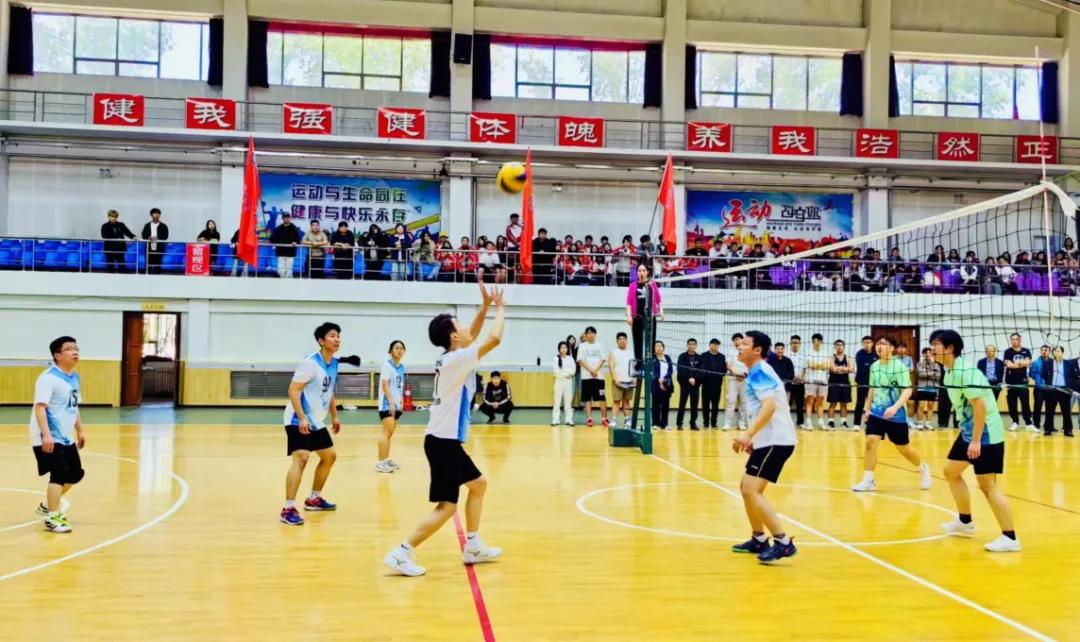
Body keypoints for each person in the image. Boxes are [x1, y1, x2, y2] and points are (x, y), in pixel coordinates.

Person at [383, 283, 506, 577]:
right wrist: (501, 308)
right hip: (442, 443)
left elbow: (472, 333)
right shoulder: (456, 359)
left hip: (444, 441)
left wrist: (485, 306)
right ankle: (401, 553)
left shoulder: (452, 355)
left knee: (478, 485)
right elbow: (493, 338)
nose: (466, 328)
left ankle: (472, 545)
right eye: (460, 325)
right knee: (447, 507)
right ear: (453, 336)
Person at [931, 329, 1020, 552]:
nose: (932, 349)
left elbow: (979, 406)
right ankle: (965, 522)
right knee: (950, 471)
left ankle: (1010, 537)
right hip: (969, 432)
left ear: (950, 348)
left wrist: (976, 441)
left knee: (987, 485)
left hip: (986, 434)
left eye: (936, 344)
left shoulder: (966, 372)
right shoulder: (949, 372)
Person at [730, 331, 798, 564]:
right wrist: (755, 440)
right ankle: (759, 538)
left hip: (777, 440)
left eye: (745, 343)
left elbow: (769, 407)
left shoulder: (760, 371)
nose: (739, 346)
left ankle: (783, 543)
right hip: (768, 440)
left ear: (757, 350)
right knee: (745, 487)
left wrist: (748, 434)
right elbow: (762, 408)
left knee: (752, 489)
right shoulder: (756, 372)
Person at [280, 322, 343, 526]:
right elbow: (293, 390)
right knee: (302, 457)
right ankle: (288, 508)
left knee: (329, 456)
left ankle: (314, 499)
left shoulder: (334, 363)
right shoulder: (310, 363)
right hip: (297, 418)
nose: (337, 339)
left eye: (338, 336)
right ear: (321, 341)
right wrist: (302, 417)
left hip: (316, 420)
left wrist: (334, 416)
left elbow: (329, 391)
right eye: (332, 336)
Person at [852, 336, 932, 493]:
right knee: (870, 443)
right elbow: (872, 388)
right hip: (877, 413)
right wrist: (867, 409)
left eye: (884, 344)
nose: (879, 346)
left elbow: (907, 390)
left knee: (904, 450)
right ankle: (868, 481)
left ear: (891, 348)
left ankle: (922, 467)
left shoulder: (899, 367)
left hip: (896, 416)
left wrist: (895, 408)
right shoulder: (874, 366)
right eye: (878, 343)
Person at [30, 336, 85, 533]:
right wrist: (46, 435)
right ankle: (52, 517)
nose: (75, 352)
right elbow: (40, 408)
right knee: (59, 473)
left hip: (65, 436)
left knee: (76, 474)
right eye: (69, 349)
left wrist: (80, 429)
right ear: (57, 355)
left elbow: (73, 406)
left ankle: (47, 505)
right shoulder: (48, 378)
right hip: (48, 435)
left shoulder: (73, 377)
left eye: (76, 348)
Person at [376, 340, 406, 474]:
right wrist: (391, 403)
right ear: (390, 351)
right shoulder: (387, 366)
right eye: (396, 348)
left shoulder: (401, 367)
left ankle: (386, 460)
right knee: (386, 433)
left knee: (390, 434)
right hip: (387, 404)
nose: (399, 350)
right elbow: (385, 385)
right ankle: (380, 463)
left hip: (397, 404)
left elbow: (399, 386)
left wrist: (401, 401)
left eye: (401, 348)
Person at [626, 263, 662, 363]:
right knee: (637, 340)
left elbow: (658, 299)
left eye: (643, 270)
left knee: (651, 339)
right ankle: (639, 362)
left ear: (647, 272)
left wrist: (662, 311)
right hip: (637, 317)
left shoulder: (652, 284)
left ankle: (651, 360)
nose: (641, 272)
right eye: (639, 271)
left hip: (650, 317)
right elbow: (629, 303)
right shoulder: (633, 285)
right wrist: (629, 316)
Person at [1002, 333, 1037, 432]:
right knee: (1012, 403)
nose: (1014, 341)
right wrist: (1021, 363)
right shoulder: (1008, 351)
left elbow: (1028, 362)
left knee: (1025, 403)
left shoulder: (1026, 351)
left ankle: (1029, 423)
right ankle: (1015, 422)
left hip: (1023, 381)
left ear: (1020, 340)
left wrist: (1016, 364)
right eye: (1012, 339)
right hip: (1011, 381)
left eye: (1016, 339)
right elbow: (1009, 365)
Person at [577, 326, 610, 428]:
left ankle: (604, 418)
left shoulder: (600, 345)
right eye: (588, 333)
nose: (590, 335)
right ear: (586, 335)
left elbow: (603, 359)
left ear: (595, 334)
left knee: (602, 397)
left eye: (592, 333)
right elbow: (580, 360)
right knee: (587, 398)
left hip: (599, 377)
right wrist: (591, 370)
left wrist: (596, 370)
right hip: (586, 377)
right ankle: (589, 418)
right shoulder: (582, 346)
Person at [1038, 346, 1073, 437]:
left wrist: (1070, 387)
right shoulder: (1048, 363)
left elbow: (1072, 376)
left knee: (1066, 411)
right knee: (1049, 411)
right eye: (1055, 351)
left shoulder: (1068, 363)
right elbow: (1043, 374)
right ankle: (1048, 429)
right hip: (1051, 390)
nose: (1056, 353)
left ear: (1062, 353)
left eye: (1058, 351)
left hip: (1064, 390)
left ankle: (1068, 430)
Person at [803, 333, 831, 430]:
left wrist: (817, 365)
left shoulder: (826, 353)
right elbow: (811, 365)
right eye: (814, 341)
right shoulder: (808, 352)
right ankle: (808, 422)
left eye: (818, 341)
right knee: (810, 402)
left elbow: (827, 366)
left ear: (821, 342)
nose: (816, 343)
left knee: (820, 402)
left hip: (823, 380)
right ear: (812, 342)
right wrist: (820, 366)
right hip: (810, 380)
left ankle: (821, 423)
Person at [608, 332, 636, 429]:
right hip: (618, 381)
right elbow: (611, 366)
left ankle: (627, 420)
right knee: (616, 401)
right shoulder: (613, 352)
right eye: (620, 339)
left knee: (626, 401)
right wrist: (615, 379)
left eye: (624, 339)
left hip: (629, 381)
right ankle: (614, 420)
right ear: (617, 341)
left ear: (626, 341)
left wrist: (634, 378)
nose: (622, 340)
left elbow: (635, 366)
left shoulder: (631, 352)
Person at [676, 338, 703, 430]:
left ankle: (693, 423)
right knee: (682, 403)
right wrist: (688, 378)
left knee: (694, 405)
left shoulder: (699, 358)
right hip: (685, 383)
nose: (691, 346)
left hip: (695, 384)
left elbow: (701, 370)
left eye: (693, 344)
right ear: (687, 345)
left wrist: (695, 379)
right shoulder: (682, 356)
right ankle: (679, 424)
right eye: (690, 344)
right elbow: (680, 369)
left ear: (696, 346)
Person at [724, 333, 749, 430]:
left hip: (745, 380)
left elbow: (750, 365)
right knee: (731, 401)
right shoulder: (730, 352)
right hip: (733, 380)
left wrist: (744, 375)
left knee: (744, 402)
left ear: (742, 340)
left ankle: (741, 423)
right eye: (734, 340)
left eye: (738, 339)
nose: (736, 341)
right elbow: (728, 366)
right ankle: (727, 423)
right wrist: (736, 375)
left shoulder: (748, 351)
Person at [826, 340, 853, 430]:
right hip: (834, 383)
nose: (839, 347)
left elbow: (851, 369)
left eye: (841, 345)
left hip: (845, 383)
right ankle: (831, 422)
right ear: (835, 347)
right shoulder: (832, 357)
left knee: (844, 404)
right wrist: (844, 369)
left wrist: (839, 369)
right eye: (837, 345)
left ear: (844, 347)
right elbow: (833, 369)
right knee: (832, 403)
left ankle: (843, 422)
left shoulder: (848, 357)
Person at [700, 338, 727, 429]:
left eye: (717, 344)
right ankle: (706, 423)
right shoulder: (703, 355)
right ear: (709, 345)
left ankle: (714, 423)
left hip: (717, 384)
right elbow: (701, 369)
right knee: (705, 405)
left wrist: (720, 375)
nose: (715, 346)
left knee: (715, 405)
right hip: (706, 384)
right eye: (713, 344)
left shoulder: (722, 357)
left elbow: (724, 370)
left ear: (718, 346)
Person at [852, 335, 877, 430]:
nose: (867, 344)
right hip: (862, 381)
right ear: (862, 344)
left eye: (869, 342)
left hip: (873, 383)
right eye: (865, 342)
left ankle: (870, 423)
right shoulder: (859, 354)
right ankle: (856, 424)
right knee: (860, 403)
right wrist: (871, 367)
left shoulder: (876, 354)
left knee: (873, 404)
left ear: (872, 344)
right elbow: (862, 367)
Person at [914, 347, 941, 430]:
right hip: (922, 387)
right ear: (923, 354)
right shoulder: (919, 364)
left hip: (933, 387)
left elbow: (938, 376)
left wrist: (928, 372)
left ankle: (928, 423)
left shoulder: (936, 365)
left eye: (930, 353)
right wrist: (932, 373)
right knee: (921, 406)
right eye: (926, 353)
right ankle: (920, 423)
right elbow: (920, 374)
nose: (928, 355)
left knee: (930, 406)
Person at [650, 340, 674, 431]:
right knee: (655, 404)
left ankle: (665, 424)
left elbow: (670, 370)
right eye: (656, 346)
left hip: (666, 383)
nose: (658, 348)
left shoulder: (667, 358)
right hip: (656, 384)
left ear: (663, 348)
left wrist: (664, 379)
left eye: (660, 346)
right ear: (654, 348)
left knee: (665, 405)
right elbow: (653, 371)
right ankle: (655, 423)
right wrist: (659, 379)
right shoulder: (652, 359)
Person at [269, 212, 301, 278]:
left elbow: (298, 240)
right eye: (285, 217)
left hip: (290, 252)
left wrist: (295, 242)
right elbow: (272, 239)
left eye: (288, 217)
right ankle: (282, 281)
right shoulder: (278, 228)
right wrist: (269, 241)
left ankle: (288, 283)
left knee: (289, 270)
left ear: (290, 218)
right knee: (280, 269)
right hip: (281, 252)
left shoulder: (294, 228)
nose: (287, 218)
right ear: (282, 218)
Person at [552, 341, 576, 426]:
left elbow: (573, 371)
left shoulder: (570, 359)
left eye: (565, 347)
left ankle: (569, 419)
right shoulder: (556, 359)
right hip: (559, 381)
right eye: (562, 347)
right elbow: (556, 372)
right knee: (557, 401)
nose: (564, 349)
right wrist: (566, 373)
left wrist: (564, 373)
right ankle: (555, 420)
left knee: (568, 402)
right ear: (559, 349)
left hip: (568, 382)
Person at [140, 207, 169, 274]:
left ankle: (157, 276)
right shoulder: (147, 225)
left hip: (159, 248)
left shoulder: (164, 226)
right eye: (155, 213)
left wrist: (157, 238)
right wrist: (148, 238)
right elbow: (143, 235)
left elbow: (165, 236)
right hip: (149, 247)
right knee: (148, 265)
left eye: (158, 213)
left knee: (158, 265)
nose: (156, 215)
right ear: (151, 215)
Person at [787, 335, 807, 430]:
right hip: (789, 383)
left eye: (797, 343)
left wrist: (801, 378)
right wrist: (792, 378)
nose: (795, 345)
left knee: (800, 404)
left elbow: (804, 369)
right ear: (790, 344)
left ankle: (800, 422)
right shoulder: (786, 355)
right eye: (793, 343)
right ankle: (785, 422)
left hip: (799, 383)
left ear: (800, 344)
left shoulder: (803, 355)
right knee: (787, 404)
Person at [1032, 344, 1053, 429]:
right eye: (1043, 350)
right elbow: (1032, 374)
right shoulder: (1035, 362)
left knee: (1050, 408)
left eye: (1046, 350)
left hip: (1050, 388)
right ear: (1040, 351)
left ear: (1049, 352)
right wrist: (1039, 379)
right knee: (1037, 407)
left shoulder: (1053, 362)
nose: (1044, 352)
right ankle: (1036, 424)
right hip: (1039, 388)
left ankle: (1049, 425)